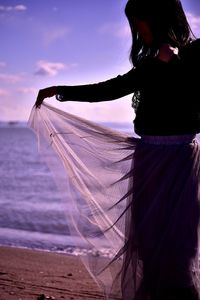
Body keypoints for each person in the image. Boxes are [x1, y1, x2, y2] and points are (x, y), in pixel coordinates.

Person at [30, 0, 200, 299]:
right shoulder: (149, 65)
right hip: (149, 159)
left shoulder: (194, 58)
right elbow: (109, 89)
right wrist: (61, 92)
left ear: (157, 19)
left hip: (179, 162)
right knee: (149, 241)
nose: (135, 30)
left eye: (138, 22)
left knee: (179, 242)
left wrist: (175, 64)